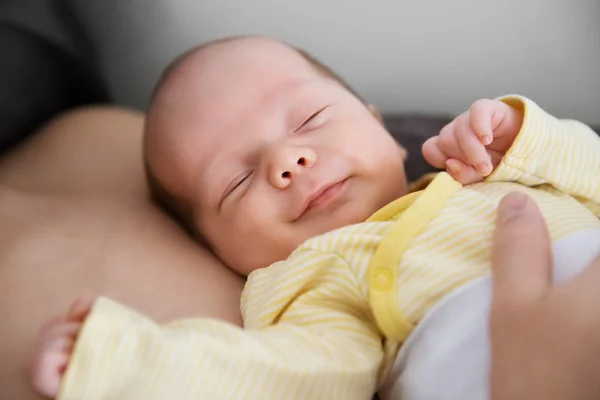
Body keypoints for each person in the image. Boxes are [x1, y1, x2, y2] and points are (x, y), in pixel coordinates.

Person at [30, 36, 600, 399]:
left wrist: (526, 138)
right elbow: (283, 376)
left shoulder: (490, 171)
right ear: (221, 253)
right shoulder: (315, 285)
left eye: (311, 117)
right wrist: (123, 360)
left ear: (378, 123)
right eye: (235, 182)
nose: (286, 159)